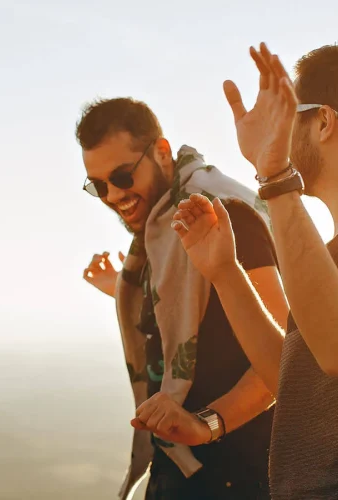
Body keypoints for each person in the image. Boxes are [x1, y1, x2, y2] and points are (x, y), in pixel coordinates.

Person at [136, 38, 338, 498]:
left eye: (289, 118)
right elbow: (295, 380)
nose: (279, 135)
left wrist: (274, 178)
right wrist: (227, 273)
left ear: (324, 122)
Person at [77, 97, 289, 499]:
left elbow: (283, 357)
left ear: (160, 152)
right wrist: (123, 290)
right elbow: (195, 318)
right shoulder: (160, 232)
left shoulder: (224, 215)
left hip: (239, 474)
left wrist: (207, 424)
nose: (111, 195)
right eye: (98, 185)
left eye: (121, 176)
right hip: (178, 468)